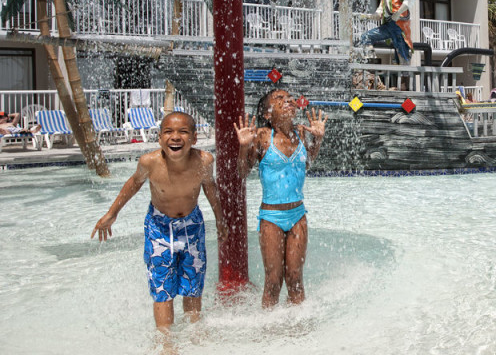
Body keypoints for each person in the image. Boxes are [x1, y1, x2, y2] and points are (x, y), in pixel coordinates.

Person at [90, 111, 228, 338]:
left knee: (192, 283)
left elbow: (210, 187)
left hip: (192, 225)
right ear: (160, 138)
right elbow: (133, 184)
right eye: (169, 132)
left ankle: (194, 332)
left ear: (194, 139)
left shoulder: (204, 161)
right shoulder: (150, 162)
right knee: (162, 288)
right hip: (159, 228)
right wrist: (111, 213)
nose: (175, 137)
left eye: (183, 132)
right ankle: (166, 341)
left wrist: (220, 219)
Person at [235, 89, 327, 308]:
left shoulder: (301, 133)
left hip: (298, 215)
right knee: (274, 282)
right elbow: (242, 172)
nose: (287, 101)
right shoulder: (262, 136)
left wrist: (318, 140)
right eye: (279, 100)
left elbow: (306, 163)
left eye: (289, 98)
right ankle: (268, 332)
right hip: (272, 217)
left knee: (295, 280)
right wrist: (243, 147)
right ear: (267, 114)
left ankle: (299, 331)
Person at [357, 0, 414, 65]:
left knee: (402, 55)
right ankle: (369, 61)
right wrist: (367, 16)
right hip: (387, 26)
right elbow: (379, 14)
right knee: (365, 37)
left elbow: (410, 0)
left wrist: (398, 13)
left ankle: (405, 74)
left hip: (399, 26)